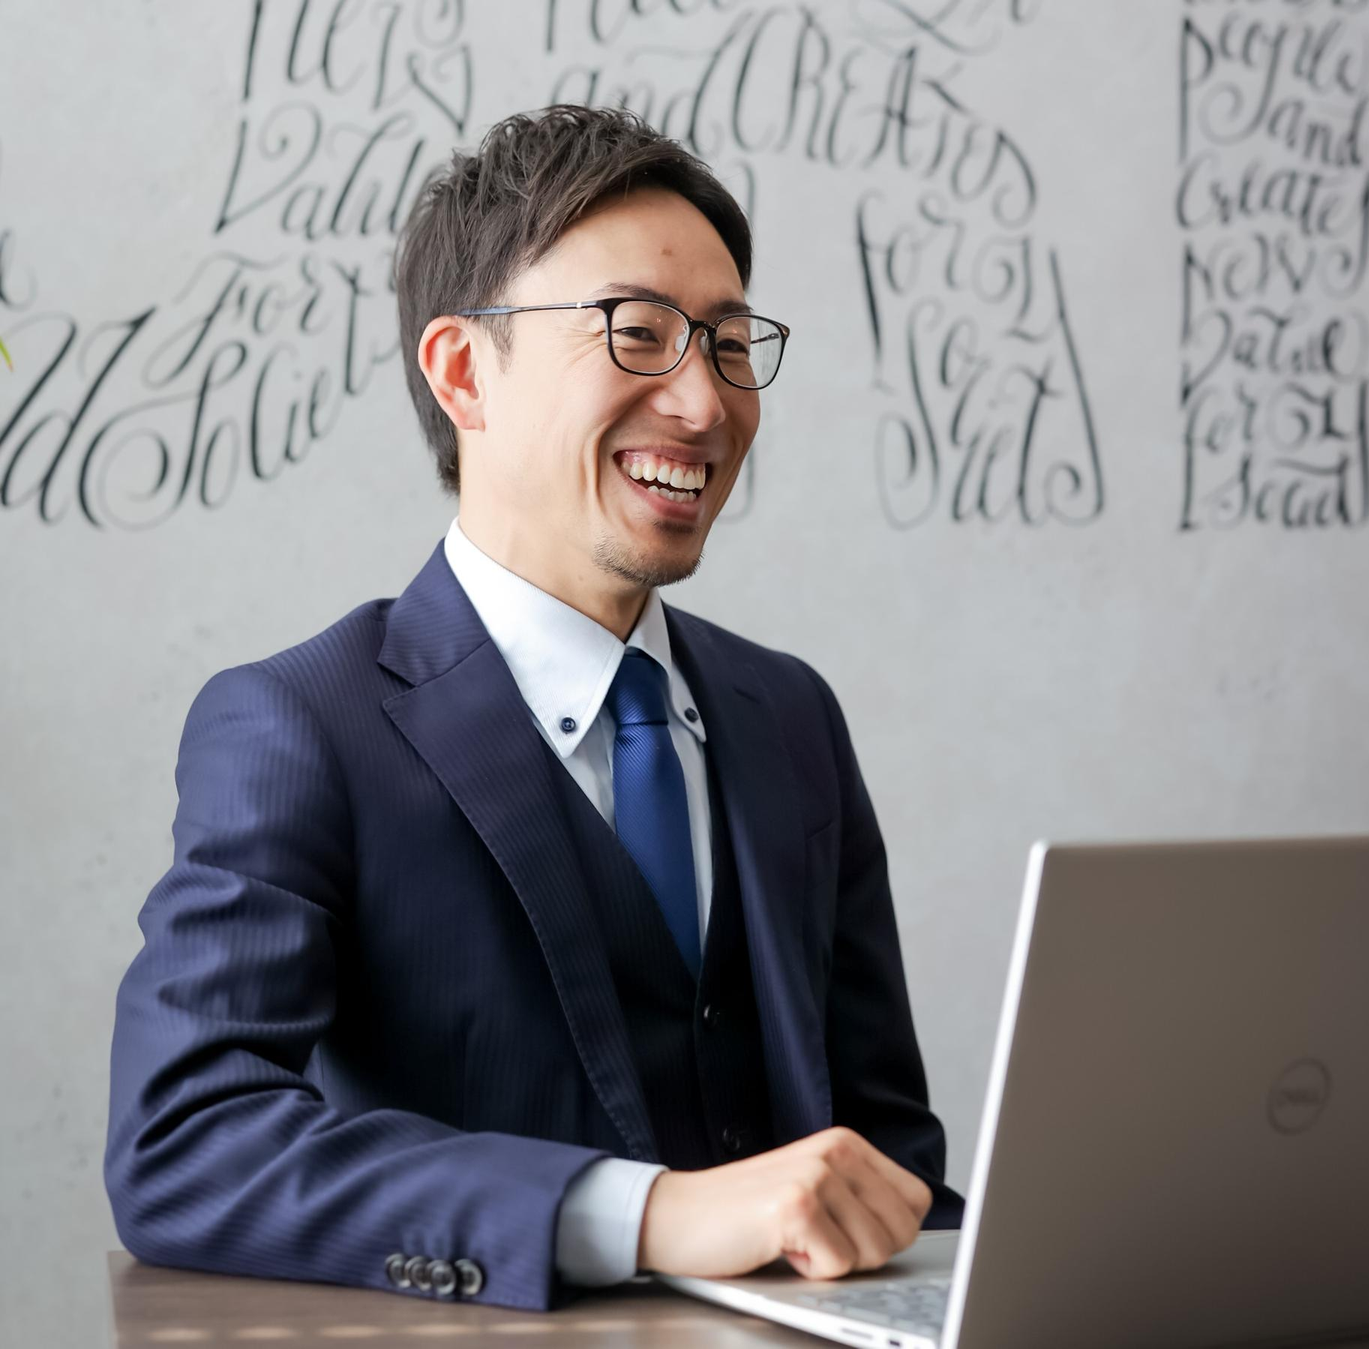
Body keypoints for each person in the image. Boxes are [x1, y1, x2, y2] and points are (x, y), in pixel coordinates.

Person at [104, 103, 963, 1312]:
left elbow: (890, 1164)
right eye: (637, 332)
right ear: (464, 371)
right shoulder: (302, 725)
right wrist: (651, 1212)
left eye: (728, 344)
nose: (705, 404)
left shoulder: (791, 714)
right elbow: (184, 1144)